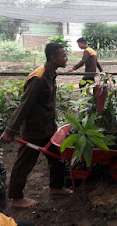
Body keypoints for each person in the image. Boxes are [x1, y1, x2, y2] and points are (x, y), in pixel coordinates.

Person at [0, 43, 70, 209]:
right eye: (64, 55)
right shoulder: (38, 78)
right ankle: (16, 198)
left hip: (48, 127)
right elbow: (24, 106)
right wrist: (10, 131)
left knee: (57, 156)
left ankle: (56, 187)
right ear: (53, 58)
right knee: (24, 162)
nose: (66, 58)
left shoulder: (51, 74)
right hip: (34, 130)